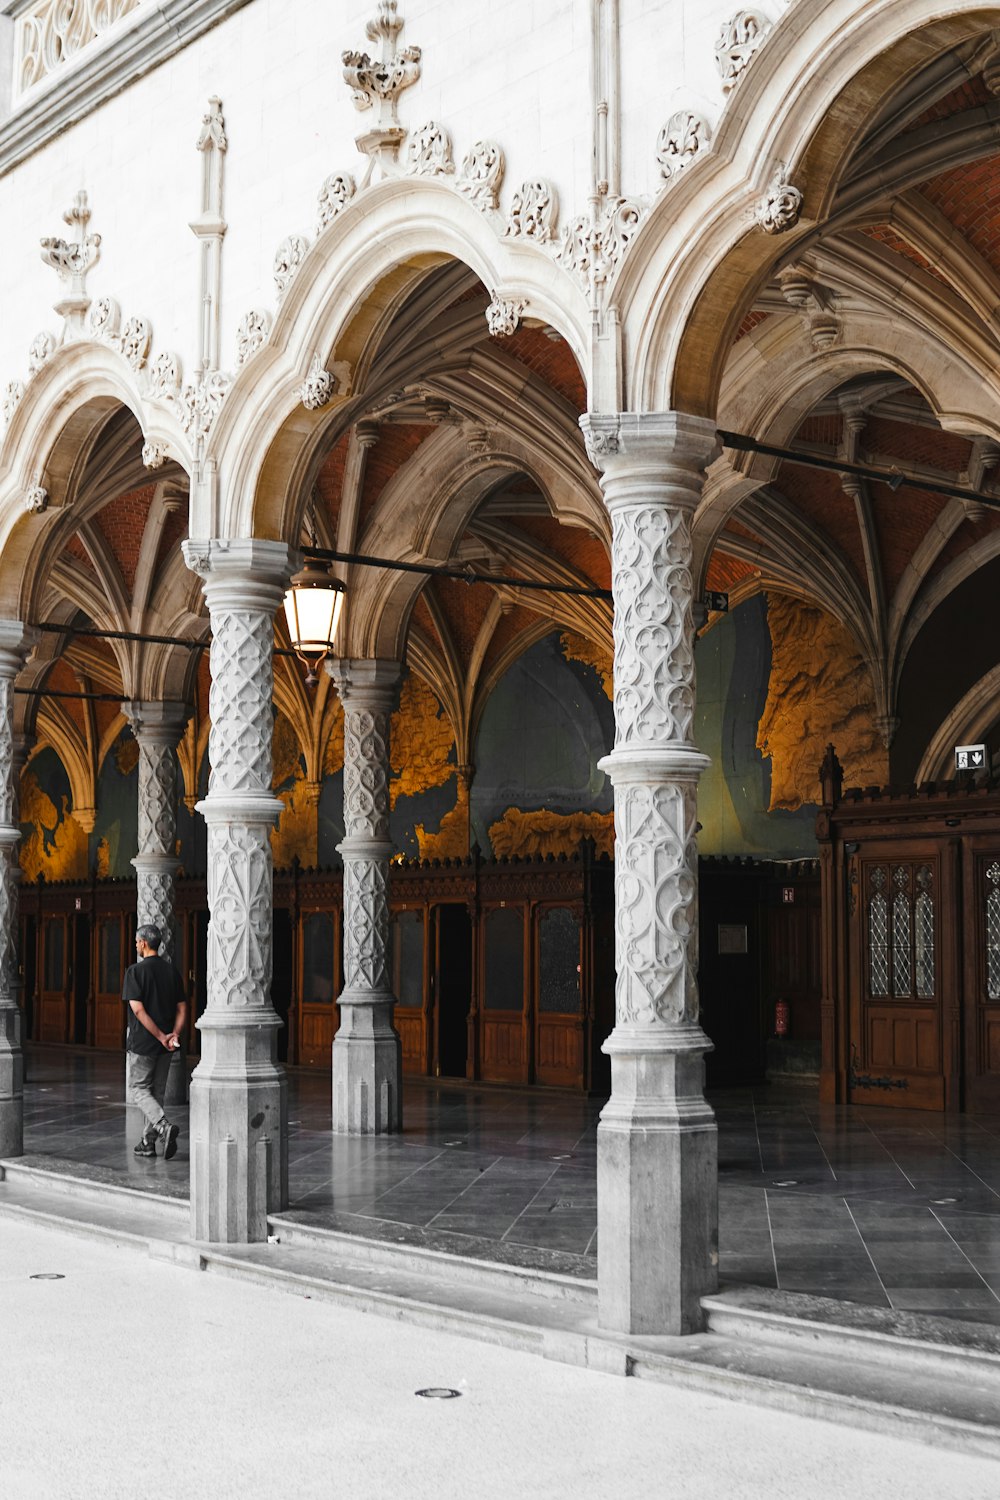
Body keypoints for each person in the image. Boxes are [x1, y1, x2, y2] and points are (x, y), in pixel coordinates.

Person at [123, 923, 187, 1160]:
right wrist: (174, 1035)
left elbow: (138, 1011)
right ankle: (147, 1143)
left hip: (143, 1042)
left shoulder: (135, 972)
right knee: (156, 1091)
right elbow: (182, 1008)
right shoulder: (172, 972)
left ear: (143, 943)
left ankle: (162, 1126)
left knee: (139, 1088)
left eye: (136, 941)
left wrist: (160, 1036)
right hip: (167, 1045)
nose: (136, 945)